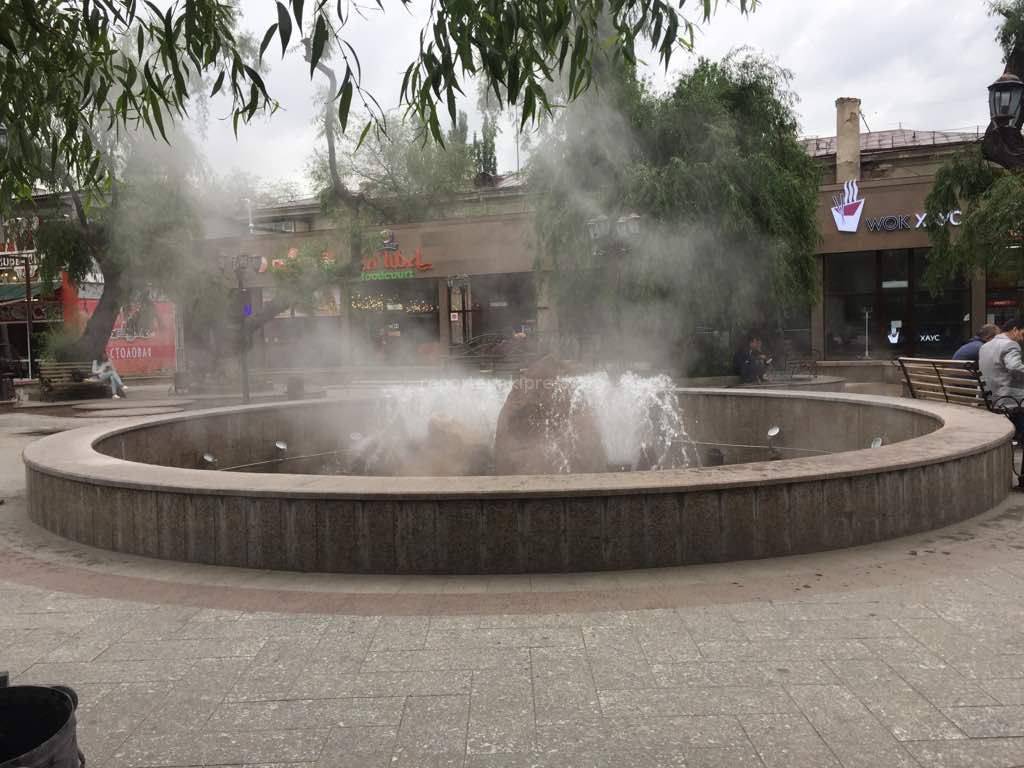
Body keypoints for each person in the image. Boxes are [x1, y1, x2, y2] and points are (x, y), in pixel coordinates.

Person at [979, 319, 1024, 441]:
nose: (1022, 339)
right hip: (1007, 398)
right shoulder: (1010, 344)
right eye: (1022, 334)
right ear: (1015, 330)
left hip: (990, 397)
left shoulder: (985, 346)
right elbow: (1014, 367)